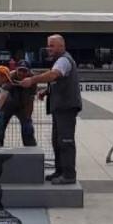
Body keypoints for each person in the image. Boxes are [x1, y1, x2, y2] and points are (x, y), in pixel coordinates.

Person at [20, 35, 81, 185]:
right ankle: (60, 171)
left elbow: (54, 75)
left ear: (62, 46)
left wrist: (32, 80)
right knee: (57, 141)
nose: (49, 49)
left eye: (52, 46)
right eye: (48, 45)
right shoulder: (60, 60)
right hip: (60, 107)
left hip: (66, 107)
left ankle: (68, 175)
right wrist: (46, 92)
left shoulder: (64, 60)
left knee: (65, 141)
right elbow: (57, 81)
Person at [0, 60, 39, 147]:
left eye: (25, 71)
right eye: (20, 70)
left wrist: (28, 117)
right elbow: (2, 96)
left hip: (23, 106)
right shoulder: (10, 76)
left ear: (29, 71)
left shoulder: (32, 80)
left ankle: (30, 150)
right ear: (16, 69)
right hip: (7, 105)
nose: (22, 73)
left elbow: (31, 100)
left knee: (28, 129)